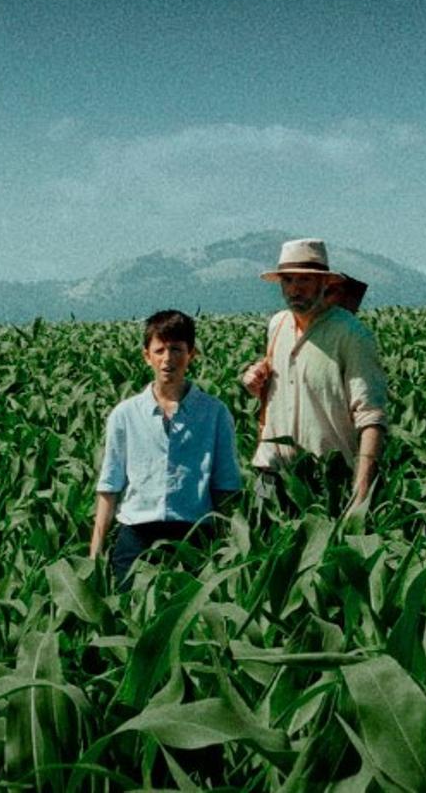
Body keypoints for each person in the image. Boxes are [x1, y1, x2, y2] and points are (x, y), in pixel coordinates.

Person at [89, 310, 242, 588]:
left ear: (191, 354)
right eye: (159, 350)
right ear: (146, 356)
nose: (168, 359)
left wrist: (229, 546)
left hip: (193, 534)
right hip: (137, 534)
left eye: (176, 349)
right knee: (129, 614)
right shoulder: (124, 415)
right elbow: (109, 488)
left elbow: (225, 487)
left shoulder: (215, 413)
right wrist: (95, 555)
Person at [241, 238, 387, 512]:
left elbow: (371, 417)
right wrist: (255, 382)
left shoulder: (351, 335)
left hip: (324, 480)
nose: (294, 289)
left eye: (305, 280)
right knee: (260, 542)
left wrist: (361, 494)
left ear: (325, 284)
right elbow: (284, 389)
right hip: (269, 471)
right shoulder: (277, 325)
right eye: (288, 280)